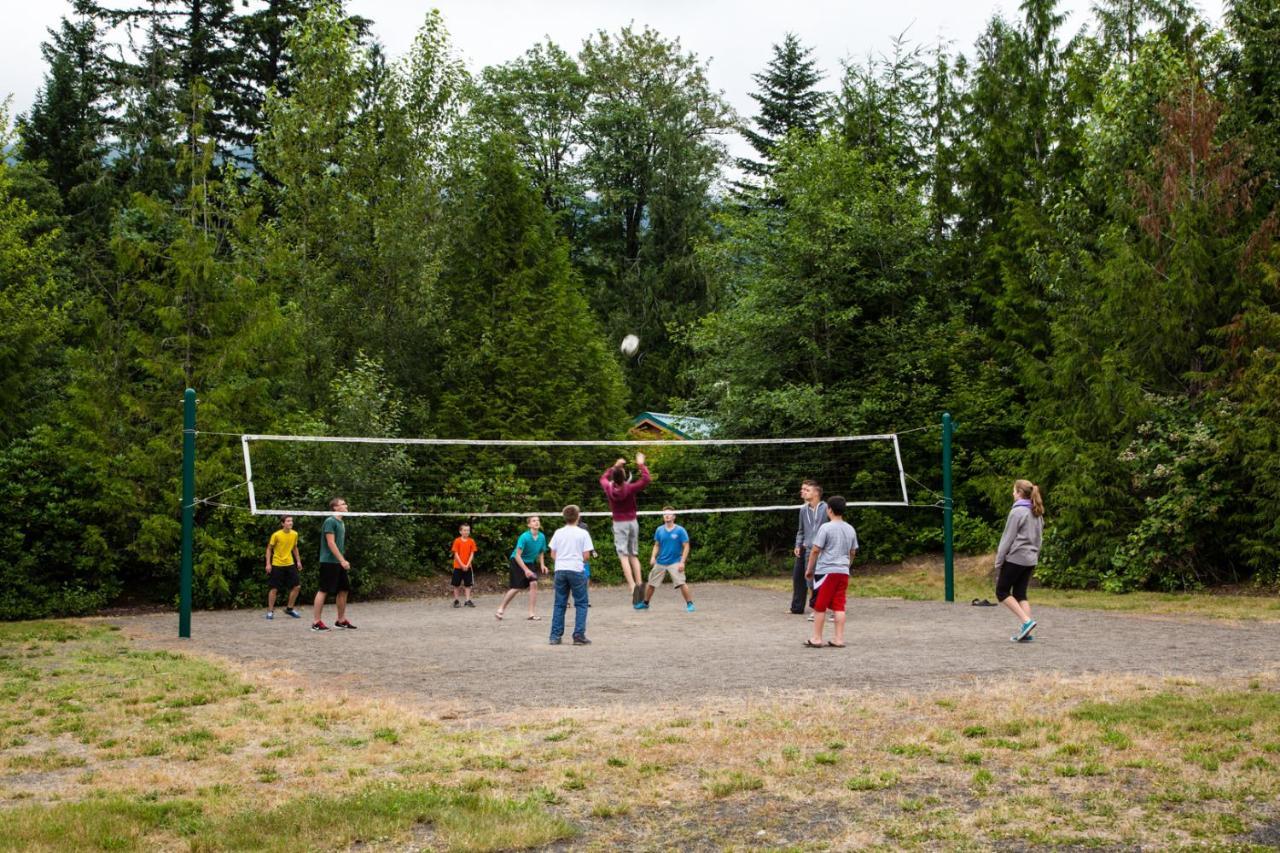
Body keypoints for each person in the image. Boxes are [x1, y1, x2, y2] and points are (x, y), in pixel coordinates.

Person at [804, 495, 858, 649]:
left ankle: (816, 638)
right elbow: (852, 551)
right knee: (839, 606)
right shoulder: (850, 528)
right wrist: (847, 566)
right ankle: (838, 639)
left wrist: (809, 569)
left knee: (819, 606)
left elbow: (815, 550)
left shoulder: (826, 527)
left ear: (829, 510)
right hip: (842, 572)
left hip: (826, 571)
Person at [995, 479, 1045, 642]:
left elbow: (1007, 539)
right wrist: (1034, 556)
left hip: (1016, 558)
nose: (1012, 493)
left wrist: (999, 560)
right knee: (1020, 594)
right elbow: (1039, 539)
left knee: (1001, 591)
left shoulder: (1017, 512)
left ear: (1019, 493)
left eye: (1014, 491)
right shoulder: (1036, 512)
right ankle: (1027, 632)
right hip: (1031, 559)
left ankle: (1026, 622)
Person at [599, 452, 651, 604]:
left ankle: (632, 586)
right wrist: (641, 464)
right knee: (633, 555)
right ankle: (640, 586)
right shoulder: (630, 488)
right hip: (632, 522)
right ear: (625, 477)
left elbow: (602, 478)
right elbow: (646, 479)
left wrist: (615, 466)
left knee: (623, 556)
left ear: (614, 478)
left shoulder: (608, 487)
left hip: (619, 523)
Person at [548, 504, 594, 645]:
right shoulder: (583, 533)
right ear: (578, 516)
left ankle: (555, 636)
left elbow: (553, 554)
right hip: (576, 569)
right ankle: (578, 635)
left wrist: (563, 561)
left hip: (560, 570)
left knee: (559, 603)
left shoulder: (558, 532)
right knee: (581, 603)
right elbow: (586, 556)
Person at [637, 506, 694, 612]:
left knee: (682, 583)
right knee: (651, 583)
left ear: (674, 516)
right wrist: (653, 557)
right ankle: (645, 603)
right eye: (664, 514)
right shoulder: (659, 530)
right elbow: (657, 545)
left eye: (669, 514)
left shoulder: (680, 530)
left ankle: (690, 604)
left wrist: (682, 562)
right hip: (661, 562)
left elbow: (686, 546)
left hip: (675, 562)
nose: (667, 516)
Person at [312, 497, 356, 631]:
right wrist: (342, 560)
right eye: (343, 504)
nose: (346, 505)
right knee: (323, 590)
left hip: (338, 561)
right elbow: (331, 543)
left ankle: (341, 620)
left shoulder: (341, 522)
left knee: (344, 589)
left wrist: (341, 560)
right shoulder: (330, 521)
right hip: (329, 561)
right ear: (335, 508)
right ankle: (316, 622)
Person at [496, 515, 548, 621]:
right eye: (533, 521)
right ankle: (501, 609)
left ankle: (531, 613)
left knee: (534, 583)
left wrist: (542, 565)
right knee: (517, 588)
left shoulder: (542, 537)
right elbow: (517, 555)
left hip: (530, 563)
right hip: (517, 562)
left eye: (538, 520)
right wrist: (526, 570)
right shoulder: (524, 537)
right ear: (529, 524)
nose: (536, 522)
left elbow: (541, 552)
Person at [790, 480, 827, 616]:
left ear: (816, 493)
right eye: (802, 490)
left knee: (815, 579)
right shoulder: (803, 509)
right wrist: (798, 545)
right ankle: (797, 608)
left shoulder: (826, 508)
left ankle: (818, 607)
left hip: (820, 550)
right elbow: (801, 530)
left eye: (807, 490)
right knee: (798, 577)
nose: (803, 492)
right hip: (806, 548)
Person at [265, 515, 303, 620]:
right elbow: (269, 549)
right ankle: (270, 611)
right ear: (283, 523)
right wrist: (268, 563)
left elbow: (295, 548)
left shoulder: (295, 534)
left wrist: (298, 561)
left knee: (297, 587)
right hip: (277, 564)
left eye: (291, 521)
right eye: (288, 521)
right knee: (274, 589)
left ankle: (289, 609)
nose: (291, 523)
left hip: (290, 563)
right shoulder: (276, 535)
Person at [450, 522, 479, 608]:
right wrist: (462, 565)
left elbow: (472, 554)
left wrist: (467, 564)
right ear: (460, 531)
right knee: (456, 584)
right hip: (458, 567)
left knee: (468, 584)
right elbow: (456, 554)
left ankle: (467, 600)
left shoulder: (471, 541)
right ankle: (456, 601)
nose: (466, 532)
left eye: (468, 530)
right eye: (465, 530)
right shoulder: (457, 541)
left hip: (468, 567)